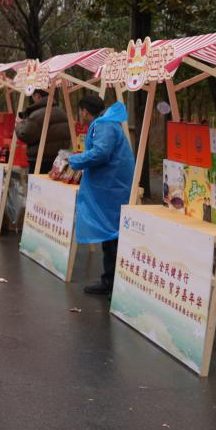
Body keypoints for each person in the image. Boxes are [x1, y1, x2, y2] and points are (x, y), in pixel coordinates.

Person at [67, 93, 133, 296]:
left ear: (85, 111)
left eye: (80, 112)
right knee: (111, 233)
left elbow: (101, 153)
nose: (80, 115)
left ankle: (110, 283)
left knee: (111, 234)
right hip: (112, 185)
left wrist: (75, 160)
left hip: (111, 187)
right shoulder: (108, 122)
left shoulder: (103, 125)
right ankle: (111, 280)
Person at [15, 88, 71, 175]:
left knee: (37, 187)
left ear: (38, 96)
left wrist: (19, 125)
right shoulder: (62, 112)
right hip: (59, 161)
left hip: (39, 161)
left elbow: (25, 135)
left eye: (33, 96)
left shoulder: (37, 115)